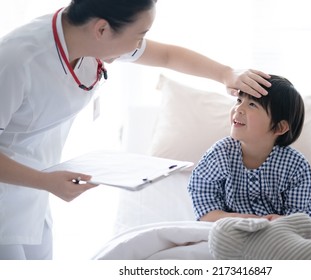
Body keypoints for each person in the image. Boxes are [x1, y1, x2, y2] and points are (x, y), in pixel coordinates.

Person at [0, 0, 271, 260]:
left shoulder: (88, 36)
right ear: (102, 29)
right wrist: (45, 181)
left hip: (33, 191)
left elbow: (166, 56)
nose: (139, 46)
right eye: (140, 35)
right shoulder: (15, 60)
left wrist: (226, 74)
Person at [188, 75, 311, 222]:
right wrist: (240, 219)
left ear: (280, 127)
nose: (238, 109)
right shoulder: (220, 153)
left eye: (252, 105)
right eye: (239, 100)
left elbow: (298, 221)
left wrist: (271, 223)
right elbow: (205, 211)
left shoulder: (296, 165)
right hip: (228, 232)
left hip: (276, 237)